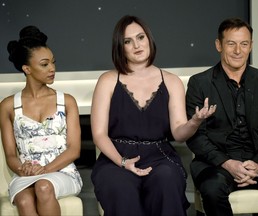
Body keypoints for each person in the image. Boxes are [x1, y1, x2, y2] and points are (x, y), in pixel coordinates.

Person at [90, 15, 216, 216]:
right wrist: (123, 162)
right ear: (119, 47)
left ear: (149, 39)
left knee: (167, 180)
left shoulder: (172, 81)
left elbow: (179, 133)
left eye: (141, 37)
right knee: (120, 187)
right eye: (127, 41)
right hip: (117, 156)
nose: (136, 45)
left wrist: (194, 121)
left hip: (159, 156)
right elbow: (99, 134)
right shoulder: (107, 80)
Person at [186, 17, 258, 216]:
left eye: (244, 44)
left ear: (251, 46)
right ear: (219, 45)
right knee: (213, 191)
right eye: (231, 44)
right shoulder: (199, 83)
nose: (238, 51)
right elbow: (196, 137)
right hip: (216, 164)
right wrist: (227, 163)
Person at [0, 26, 83, 216]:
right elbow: (11, 154)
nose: (52, 68)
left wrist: (44, 170)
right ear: (27, 69)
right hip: (26, 174)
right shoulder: (7, 106)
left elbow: (74, 149)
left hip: (62, 172)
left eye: (53, 62)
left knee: (44, 187)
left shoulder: (67, 101)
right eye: (45, 64)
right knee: (23, 199)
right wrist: (23, 168)